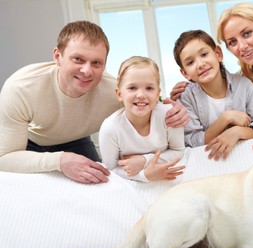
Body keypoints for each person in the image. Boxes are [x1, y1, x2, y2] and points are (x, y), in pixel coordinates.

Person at [0, 21, 189, 184]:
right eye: (78, 59)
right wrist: (59, 161)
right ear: (58, 56)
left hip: (77, 139)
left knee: (101, 181)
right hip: (30, 143)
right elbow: (4, 159)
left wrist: (173, 106)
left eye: (96, 63)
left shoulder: (113, 90)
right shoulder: (22, 88)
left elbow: (146, 97)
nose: (87, 71)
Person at [173, 30, 253, 160]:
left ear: (218, 54)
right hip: (211, 162)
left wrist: (236, 132)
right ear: (185, 73)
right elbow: (193, 142)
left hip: (247, 157)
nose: (200, 64)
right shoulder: (186, 97)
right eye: (190, 63)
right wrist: (225, 118)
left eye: (204, 54)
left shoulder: (244, 85)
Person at [99, 56, 186, 182]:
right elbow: (110, 170)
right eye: (132, 88)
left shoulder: (169, 115)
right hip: (131, 182)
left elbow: (179, 151)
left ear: (157, 94)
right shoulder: (110, 128)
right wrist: (144, 175)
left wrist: (144, 161)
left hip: (169, 177)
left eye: (149, 88)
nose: (141, 95)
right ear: (119, 94)